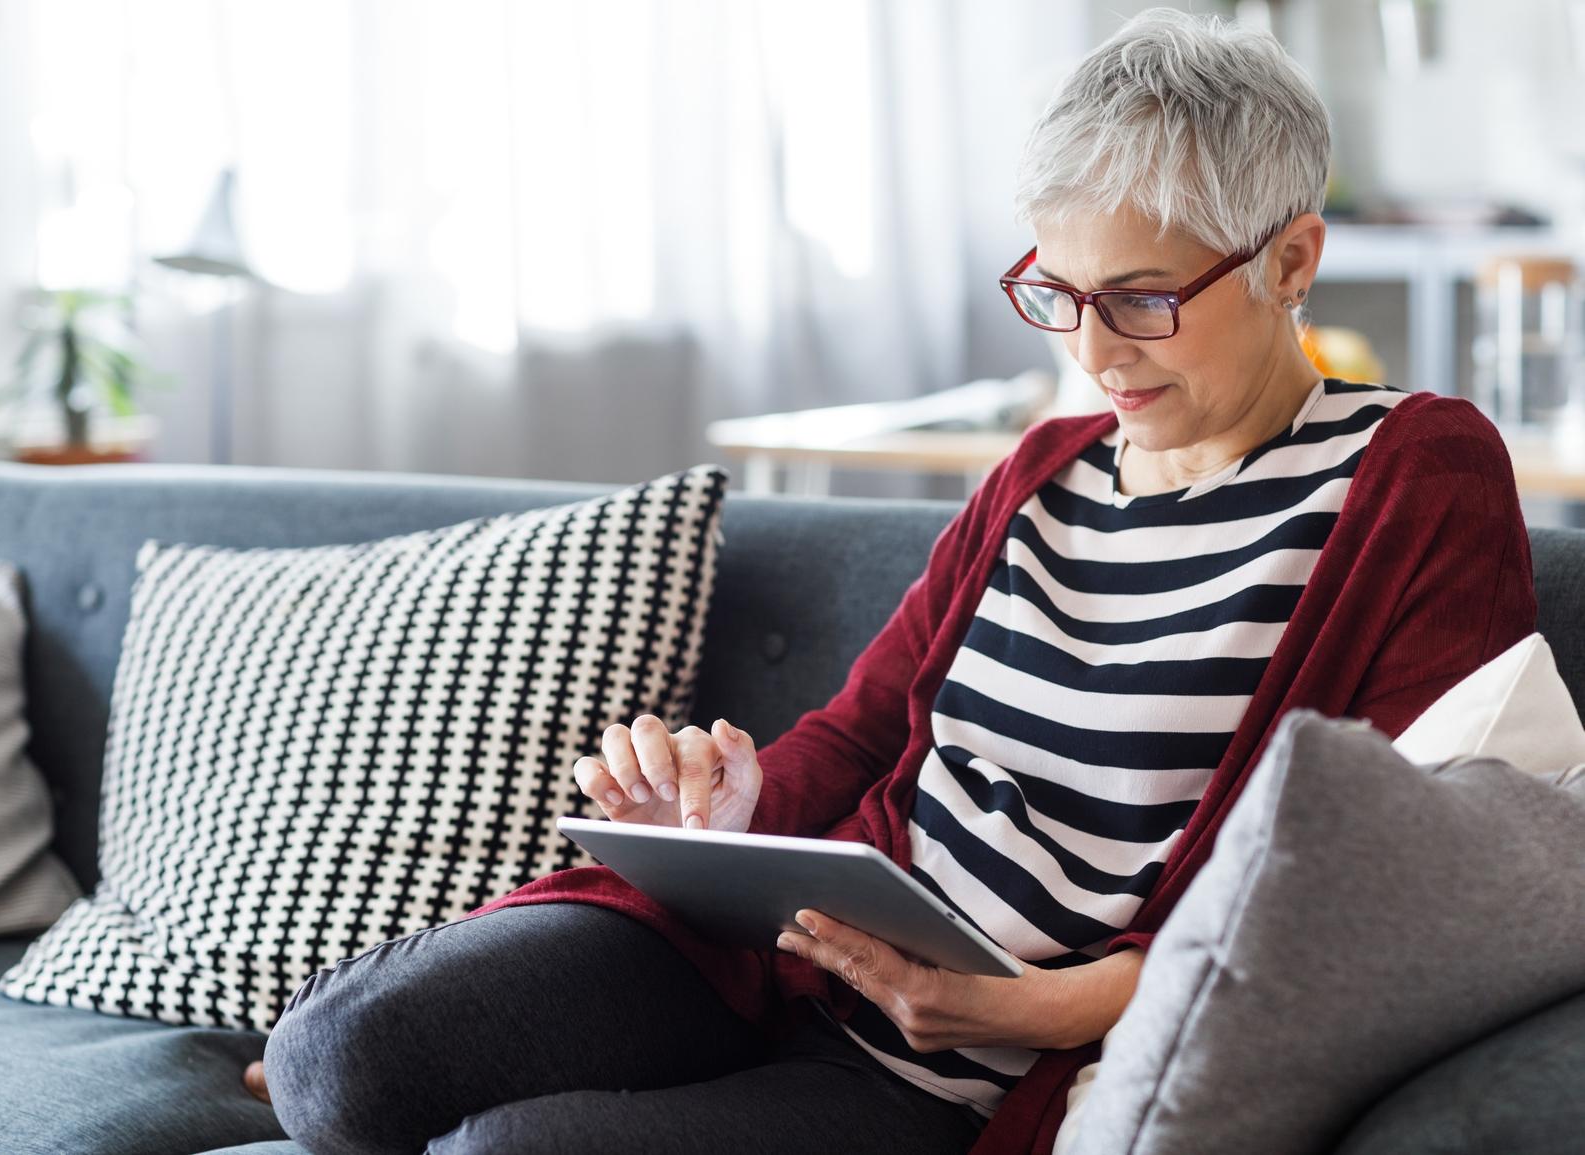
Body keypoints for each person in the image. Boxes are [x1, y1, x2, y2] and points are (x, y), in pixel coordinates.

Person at [249, 9, 1536, 1154]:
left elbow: (1402, 881)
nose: (1090, 351)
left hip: (942, 1081)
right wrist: (738, 809)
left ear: (1290, 262)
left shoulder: (1409, 474)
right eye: (1058, 293)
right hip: (791, 955)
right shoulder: (1039, 473)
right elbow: (864, 735)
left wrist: (1053, 1006)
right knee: (337, 1061)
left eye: (1142, 301)